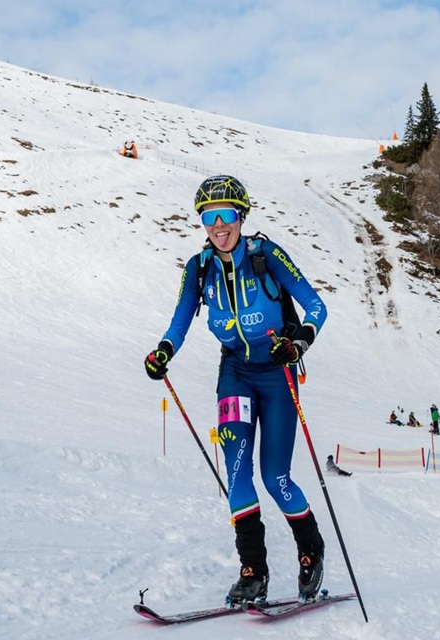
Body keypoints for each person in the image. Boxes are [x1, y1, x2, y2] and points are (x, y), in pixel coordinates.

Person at [143, 174, 328, 605]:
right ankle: (253, 571)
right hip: (235, 375)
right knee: (238, 472)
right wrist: (164, 351)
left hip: (278, 373)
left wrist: (298, 340)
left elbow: (316, 305)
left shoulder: (268, 255)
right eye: (208, 217)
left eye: (225, 215)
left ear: (241, 216)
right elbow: (181, 319)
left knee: (276, 477)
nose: (218, 225)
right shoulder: (199, 267)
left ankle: (310, 549)